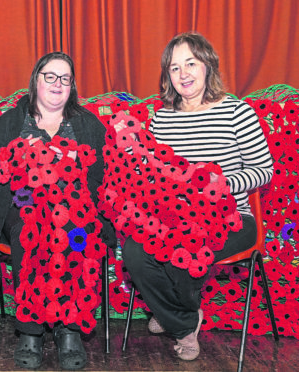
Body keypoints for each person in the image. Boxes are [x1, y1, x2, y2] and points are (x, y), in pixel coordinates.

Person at [117, 32, 273, 361]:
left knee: (185, 249)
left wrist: (221, 184)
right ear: (168, 76)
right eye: (174, 68)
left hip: (233, 218)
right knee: (133, 249)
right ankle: (186, 320)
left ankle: (176, 320)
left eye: (191, 63)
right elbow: (155, 172)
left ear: (207, 66)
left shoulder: (238, 113)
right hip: (175, 219)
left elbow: (264, 170)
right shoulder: (163, 117)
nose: (183, 74)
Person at [0, 52, 115, 370]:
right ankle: (30, 331)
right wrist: (13, 161)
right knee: (28, 231)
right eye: (50, 76)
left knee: (76, 234)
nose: (57, 83)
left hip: (74, 212)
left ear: (72, 85)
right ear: (36, 79)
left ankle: (69, 330)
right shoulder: (12, 120)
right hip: (20, 209)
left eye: (65, 78)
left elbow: (106, 174)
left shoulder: (87, 124)